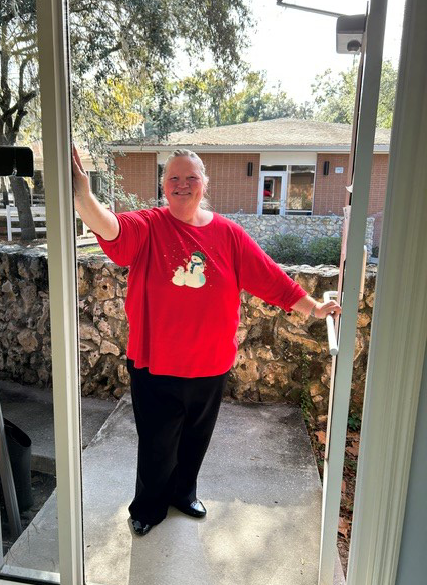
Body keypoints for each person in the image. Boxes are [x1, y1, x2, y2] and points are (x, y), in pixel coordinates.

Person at [72, 146, 342, 536]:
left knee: (195, 440)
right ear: (164, 186)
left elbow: (270, 278)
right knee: (156, 444)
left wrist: (314, 308)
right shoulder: (149, 225)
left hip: (211, 363)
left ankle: (184, 494)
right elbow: (111, 227)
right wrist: (83, 194)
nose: (183, 185)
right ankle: (148, 508)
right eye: (174, 178)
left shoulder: (228, 234)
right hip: (155, 363)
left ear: (204, 184)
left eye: (191, 178)